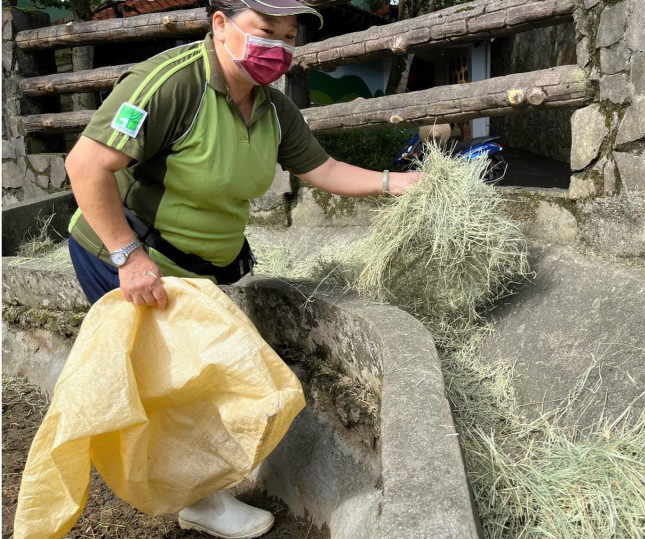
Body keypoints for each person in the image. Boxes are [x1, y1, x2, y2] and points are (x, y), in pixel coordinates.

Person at [63, 0, 422, 536]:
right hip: (126, 255)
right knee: (176, 383)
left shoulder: (273, 110)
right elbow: (86, 164)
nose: (276, 48)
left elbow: (321, 168)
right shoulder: (170, 85)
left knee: (194, 375)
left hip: (198, 270)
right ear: (221, 25)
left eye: (287, 36)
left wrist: (398, 184)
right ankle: (201, 500)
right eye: (263, 31)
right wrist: (128, 257)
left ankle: (196, 487)